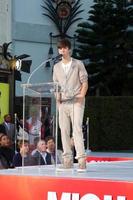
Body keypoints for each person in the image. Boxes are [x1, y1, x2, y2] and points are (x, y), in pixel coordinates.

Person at [53, 38, 88, 171]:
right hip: (62, 103)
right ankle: (67, 161)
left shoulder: (78, 64)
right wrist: (58, 100)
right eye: (60, 48)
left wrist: (81, 96)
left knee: (77, 130)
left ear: (69, 49)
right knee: (64, 131)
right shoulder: (56, 67)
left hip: (76, 102)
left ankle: (81, 161)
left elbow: (84, 81)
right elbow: (55, 85)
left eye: (64, 47)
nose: (62, 50)